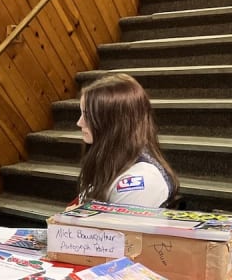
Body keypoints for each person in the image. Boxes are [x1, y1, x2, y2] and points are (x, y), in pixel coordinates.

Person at [75, 73, 178, 208]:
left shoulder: (140, 181)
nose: (79, 123)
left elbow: (116, 229)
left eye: (87, 115)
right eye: (81, 114)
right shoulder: (108, 157)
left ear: (113, 122)